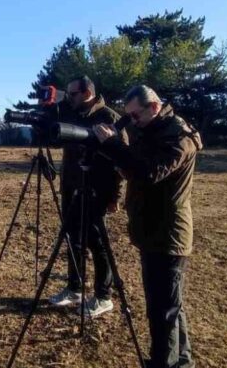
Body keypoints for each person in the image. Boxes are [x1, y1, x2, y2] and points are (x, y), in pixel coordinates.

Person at [93, 85, 201, 368]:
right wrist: (114, 153)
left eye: (135, 115)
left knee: (162, 310)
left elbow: (150, 172)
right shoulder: (152, 130)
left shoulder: (178, 136)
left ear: (153, 107)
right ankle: (181, 362)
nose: (132, 121)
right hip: (151, 229)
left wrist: (115, 146)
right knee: (169, 305)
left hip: (168, 233)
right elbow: (134, 168)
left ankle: (163, 363)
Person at [46, 75, 125, 319]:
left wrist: (115, 196)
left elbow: (121, 160)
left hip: (97, 189)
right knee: (73, 239)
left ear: (87, 93)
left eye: (72, 94)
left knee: (97, 243)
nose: (68, 98)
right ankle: (75, 288)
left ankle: (103, 297)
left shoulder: (109, 117)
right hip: (71, 186)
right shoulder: (73, 113)